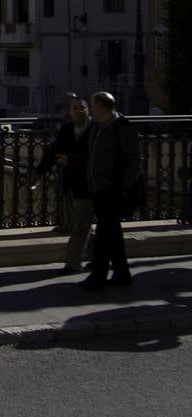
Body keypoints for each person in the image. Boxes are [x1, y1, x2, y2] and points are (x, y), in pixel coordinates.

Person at [81, 91, 142, 291]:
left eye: (93, 104)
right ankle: (122, 274)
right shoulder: (95, 127)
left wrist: (125, 186)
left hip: (112, 188)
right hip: (97, 186)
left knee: (103, 233)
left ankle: (98, 275)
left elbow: (134, 159)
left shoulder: (121, 127)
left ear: (102, 106)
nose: (90, 108)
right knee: (112, 233)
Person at [31, 93, 93, 273]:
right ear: (70, 112)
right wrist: (39, 172)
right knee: (81, 224)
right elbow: (54, 152)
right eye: (75, 108)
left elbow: (96, 155)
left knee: (81, 226)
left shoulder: (95, 129)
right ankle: (99, 258)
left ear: (88, 110)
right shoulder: (67, 129)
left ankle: (73, 264)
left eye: (82, 108)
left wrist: (71, 160)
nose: (79, 111)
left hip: (89, 183)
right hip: (71, 183)